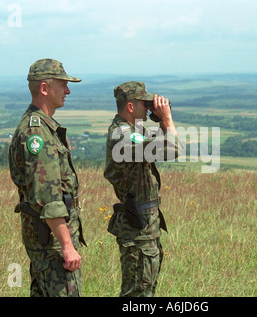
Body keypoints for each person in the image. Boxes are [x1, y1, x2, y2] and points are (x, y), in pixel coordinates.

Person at [8, 58, 86, 297]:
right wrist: (66, 245)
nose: (68, 90)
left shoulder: (42, 127)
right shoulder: (37, 133)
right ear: (44, 88)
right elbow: (48, 197)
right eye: (62, 84)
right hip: (51, 245)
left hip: (47, 242)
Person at [104, 81, 184, 297]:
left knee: (145, 289)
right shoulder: (123, 136)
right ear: (130, 107)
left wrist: (159, 122)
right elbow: (173, 149)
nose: (149, 109)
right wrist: (167, 118)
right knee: (137, 293)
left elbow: (157, 144)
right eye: (144, 104)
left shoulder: (132, 132)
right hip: (138, 227)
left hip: (144, 224)